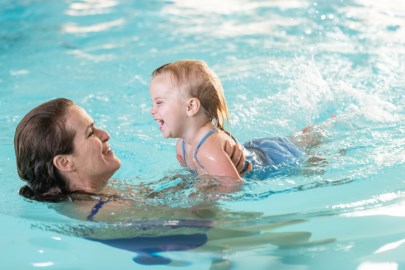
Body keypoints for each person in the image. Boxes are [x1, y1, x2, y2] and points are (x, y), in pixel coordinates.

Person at [14, 98, 249, 216]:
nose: (105, 135)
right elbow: (204, 220)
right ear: (65, 162)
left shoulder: (93, 196)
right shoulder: (104, 212)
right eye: (90, 133)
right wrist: (221, 179)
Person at [149, 60, 323, 181]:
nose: (152, 110)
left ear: (190, 107)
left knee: (309, 149)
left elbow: (232, 187)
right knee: (301, 140)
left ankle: (322, 131)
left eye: (159, 103)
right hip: (254, 149)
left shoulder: (208, 149)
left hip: (273, 160)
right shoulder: (182, 145)